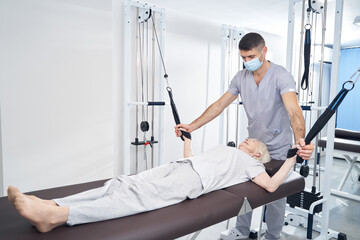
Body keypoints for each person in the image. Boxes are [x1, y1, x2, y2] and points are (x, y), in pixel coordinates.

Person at [175, 32, 315, 240]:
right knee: (244, 190)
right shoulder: (241, 77)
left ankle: (273, 235)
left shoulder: (281, 76)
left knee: (275, 197)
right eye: (244, 58)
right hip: (253, 145)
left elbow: (294, 111)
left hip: (277, 147)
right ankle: (241, 230)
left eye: (251, 57)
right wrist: (192, 126)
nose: (247, 62)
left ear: (264, 51)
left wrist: (300, 140)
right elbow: (220, 105)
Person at [7, 136, 299, 233]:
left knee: (138, 197)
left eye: (252, 141)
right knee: (120, 182)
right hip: (181, 167)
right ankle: (54, 204)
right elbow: (194, 157)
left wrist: (292, 158)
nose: (247, 139)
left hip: (193, 181)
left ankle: (58, 217)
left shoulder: (251, 163)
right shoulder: (228, 149)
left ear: (257, 153)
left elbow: (271, 186)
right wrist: (187, 139)